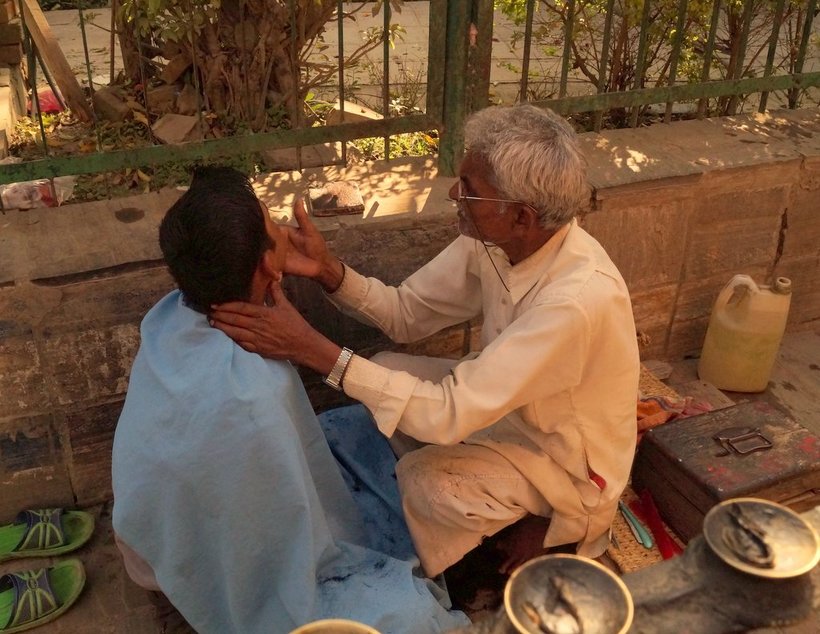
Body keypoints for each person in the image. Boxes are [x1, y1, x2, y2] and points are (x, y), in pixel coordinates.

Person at [210, 104, 641, 579]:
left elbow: (447, 412)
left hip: (567, 465)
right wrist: (330, 272)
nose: (455, 193)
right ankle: (484, 515)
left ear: (521, 216)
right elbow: (407, 314)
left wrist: (312, 349)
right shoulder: (496, 238)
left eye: (470, 191)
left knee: (426, 482)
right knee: (389, 368)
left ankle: (552, 527)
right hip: (509, 415)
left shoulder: (575, 301)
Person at [111, 166, 468, 634]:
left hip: (152, 536)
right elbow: (277, 547)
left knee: (356, 426)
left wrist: (324, 269)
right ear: (265, 267)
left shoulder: (171, 316)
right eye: (273, 225)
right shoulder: (252, 395)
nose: (285, 229)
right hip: (196, 560)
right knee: (410, 615)